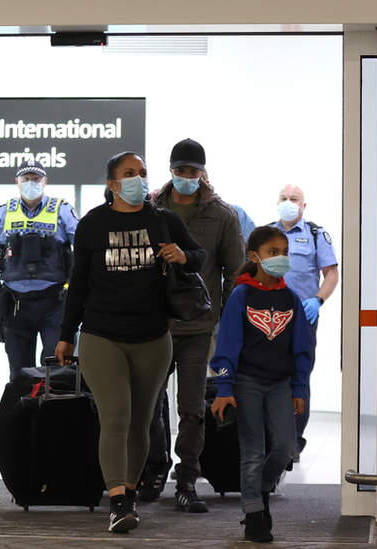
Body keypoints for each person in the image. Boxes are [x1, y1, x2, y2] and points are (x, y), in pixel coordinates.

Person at [54, 151, 206, 533]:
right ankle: (117, 500)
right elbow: (78, 286)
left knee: (143, 421)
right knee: (116, 416)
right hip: (101, 335)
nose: (137, 179)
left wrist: (184, 255)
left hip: (153, 337)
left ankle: (131, 493)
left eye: (141, 172)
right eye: (128, 173)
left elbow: (200, 258)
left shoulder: (164, 220)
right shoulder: (92, 224)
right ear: (112, 184)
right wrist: (64, 336)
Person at [142, 138, 244, 511]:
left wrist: (232, 328)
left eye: (192, 171)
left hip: (198, 327)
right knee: (150, 406)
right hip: (154, 325)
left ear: (203, 173)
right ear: (171, 170)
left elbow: (234, 275)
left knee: (192, 407)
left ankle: (187, 479)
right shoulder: (149, 208)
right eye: (180, 170)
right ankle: (154, 469)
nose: (186, 177)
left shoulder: (221, 215)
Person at [210, 225, 313, 543]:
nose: (280, 257)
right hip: (246, 383)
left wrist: (299, 388)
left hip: (280, 384)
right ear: (254, 257)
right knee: (252, 451)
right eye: (273, 252)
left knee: (285, 447)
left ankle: (263, 491)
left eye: (284, 252)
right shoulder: (242, 295)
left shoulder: (290, 298)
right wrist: (225, 389)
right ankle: (254, 513)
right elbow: (226, 345)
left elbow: (302, 349)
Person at [0, 159, 78, 382]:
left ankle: (50, 417)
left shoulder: (62, 210)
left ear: (44, 181)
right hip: (16, 305)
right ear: (17, 182)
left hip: (55, 304)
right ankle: (24, 417)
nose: (31, 183)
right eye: (26, 179)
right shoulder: (3, 213)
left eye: (36, 179)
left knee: (56, 372)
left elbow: (85, 249)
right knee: (20, 375)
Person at [272, 185, 338, 462]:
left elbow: (332, 275)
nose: (289, 203)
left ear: (303, 205)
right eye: (284, 199)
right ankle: (273, 438)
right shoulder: (267, 234)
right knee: (270, 376)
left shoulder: (315, 234)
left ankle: (294, 443)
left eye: (294, 199)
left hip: (303, 317)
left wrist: (318, 301)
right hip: (269, 317)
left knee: (299, 377)